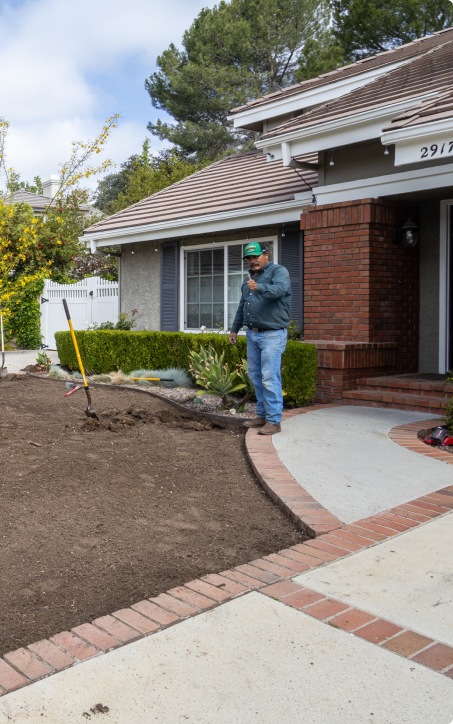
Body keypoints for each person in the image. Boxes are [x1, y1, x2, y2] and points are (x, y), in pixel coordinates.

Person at [228, 241, 292, 435]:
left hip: (272, 334)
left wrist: (260, 287)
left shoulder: (279, 272)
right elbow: (243, 307)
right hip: (253, 334)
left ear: (266, 255)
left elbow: (280, 290)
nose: (252, 261)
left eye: (256, 256)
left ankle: (274, 421)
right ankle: (262, 416)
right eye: (249, 258)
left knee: (270, 378)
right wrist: (234, 329)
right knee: (256, 376)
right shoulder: (247, 282)